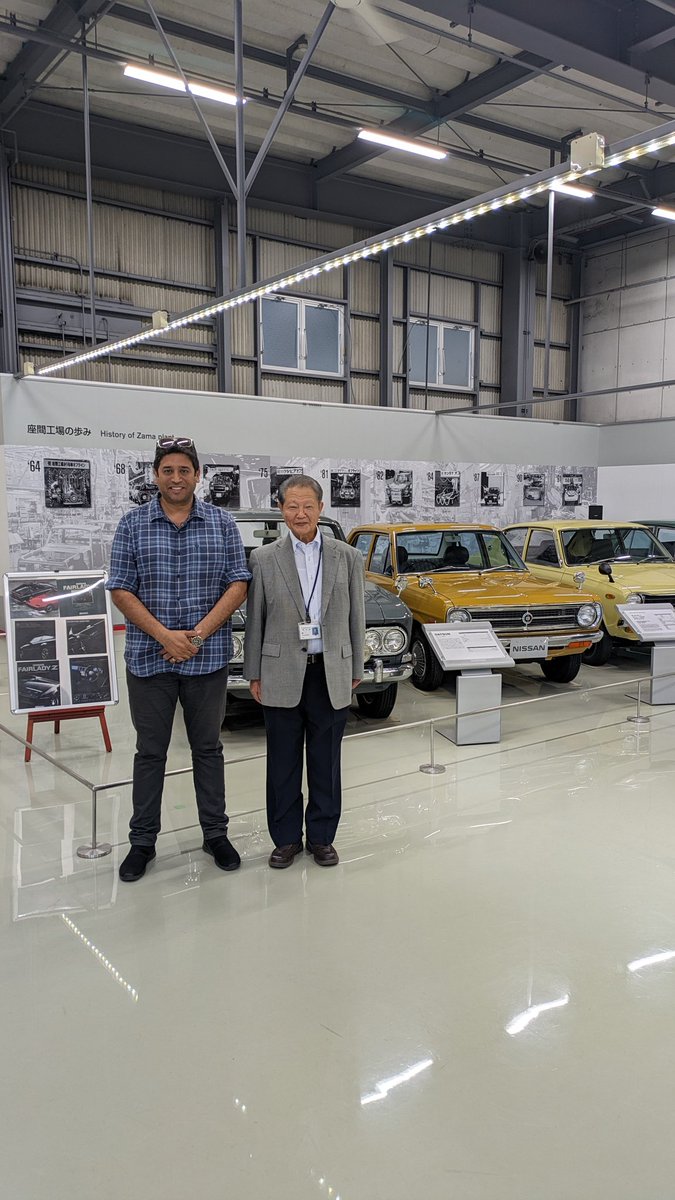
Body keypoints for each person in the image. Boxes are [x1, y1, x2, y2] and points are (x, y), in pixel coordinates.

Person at [107, 437, 251, 882]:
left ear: (197, 476)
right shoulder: (132, 526)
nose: (175, 478)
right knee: (150, 753)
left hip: (205, 663)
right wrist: (165, 636)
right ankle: (142, 843)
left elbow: (238, 582)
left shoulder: (223, 524)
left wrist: (199, 634)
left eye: (183, 470)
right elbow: (120, 589)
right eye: (167, 470)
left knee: (208, 749)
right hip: (149, 662)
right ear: (156, 475)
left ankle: (215, 834)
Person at [244, 474, 365, 869]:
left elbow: (356, 617)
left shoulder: (346, 557)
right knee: (282, 761)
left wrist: (357, 665)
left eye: (307, 506)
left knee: (326, 761)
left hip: (331, 671)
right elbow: (256, 620)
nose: (300, 513)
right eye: (292, 506)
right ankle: (284, 839)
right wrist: (253, 673)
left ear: (320, 508)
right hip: (280, 671)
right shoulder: (264, 559)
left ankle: (322, 837)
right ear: (282, 510)